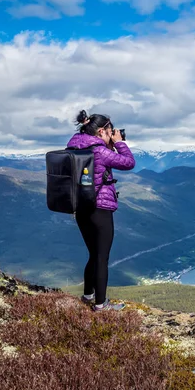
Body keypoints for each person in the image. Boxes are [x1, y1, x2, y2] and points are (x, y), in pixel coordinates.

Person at [67, 110, 135, 311]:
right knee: (102, 257)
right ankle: (101, 305)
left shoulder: (73, 147)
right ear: (100, 132)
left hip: (81, 210)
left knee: (93, 254)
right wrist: (120, 143)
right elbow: (129, 163)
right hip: (100, 209)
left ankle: (88, 295)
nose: (112, 133)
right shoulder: (99, 151)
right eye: (110, 130)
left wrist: (109, 145)